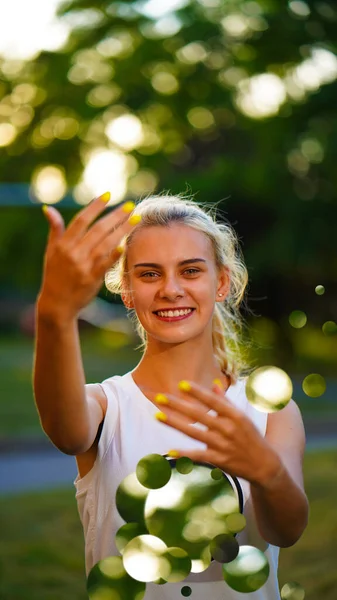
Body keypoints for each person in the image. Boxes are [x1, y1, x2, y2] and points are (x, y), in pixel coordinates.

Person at [33, 192, 309, 599]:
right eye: (149, 274)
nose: (171, 289)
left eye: (191, 270)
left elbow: (285, 532)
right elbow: (66, 432)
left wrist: (266, 471)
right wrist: (54, 314)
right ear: (126, 291)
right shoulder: (106, 408)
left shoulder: (271, 411)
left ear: (221, 282)